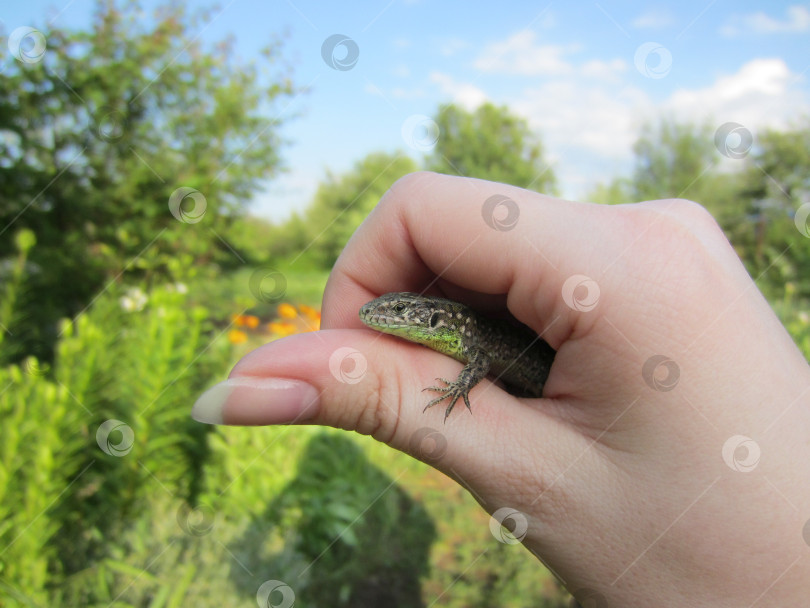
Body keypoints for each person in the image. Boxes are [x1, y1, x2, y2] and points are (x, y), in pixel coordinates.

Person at [193, 172, 810, 606]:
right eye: (386, 313)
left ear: (429, 319)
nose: (383, 318)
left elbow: (479, 360)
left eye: (398, 314)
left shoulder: (461, 336)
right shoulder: (450, 330)